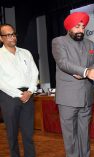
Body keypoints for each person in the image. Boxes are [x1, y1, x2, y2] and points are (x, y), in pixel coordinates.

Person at [52, 12, 94, 157]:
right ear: (69, 27)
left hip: (86, 96)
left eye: (83, 27)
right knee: (70, 137)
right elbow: (63, 63)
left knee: (84, 134)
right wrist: (85, 71)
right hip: (68, 98)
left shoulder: (90, 43)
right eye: (77, 27)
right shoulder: (59, 42)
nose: (81, 30)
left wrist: (90, 71)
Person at [0, 24, 39, 157]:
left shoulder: (25, 53)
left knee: (28, 136)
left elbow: (35, 73)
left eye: (13, 34)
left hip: (28, 96)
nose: (12, 37)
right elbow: (1, 82)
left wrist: (30, 91)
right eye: (8, 35)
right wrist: (19, 94)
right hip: (9, 98)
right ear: (1, 38)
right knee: (12, 136)